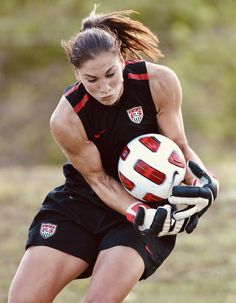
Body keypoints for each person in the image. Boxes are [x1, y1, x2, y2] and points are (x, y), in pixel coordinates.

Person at [8, 7, 219, 303]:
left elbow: (180, 147)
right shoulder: (66, 118)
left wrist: (203, 180)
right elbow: (98, 180)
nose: (104, 88)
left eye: (110, 74)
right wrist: (137, 212)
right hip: (82, 203)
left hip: (145, 212)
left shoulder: (159, 82)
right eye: (91, 80)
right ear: (76, 75)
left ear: (122, 58)